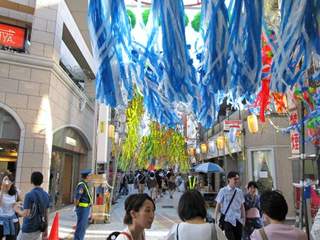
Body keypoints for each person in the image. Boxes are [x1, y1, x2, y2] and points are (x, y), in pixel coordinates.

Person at [15, 171, 50, 240]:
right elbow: (46, 214)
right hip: (39, 228)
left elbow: (26, 213)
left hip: (28, 228)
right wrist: (45, 230)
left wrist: (17, 209)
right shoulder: (46, 195)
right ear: (42, 181)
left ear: (31, 181)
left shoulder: (29, 195)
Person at [215, 171, 245, 240]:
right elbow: (218, 205)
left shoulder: (239, 192)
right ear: (229, 179)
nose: (237, 181)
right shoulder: (223, 190)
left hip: (238, 220)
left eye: (238, 179)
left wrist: (244, 220)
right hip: (227, 220)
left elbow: (242, 207)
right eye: (235, 179)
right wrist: (215, 219)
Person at [0, 174, 22, 240]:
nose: (7, 184)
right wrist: (2, 190)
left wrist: (17, 204)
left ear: (12, 183)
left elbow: (21, 202)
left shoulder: (16, 192)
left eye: (9, 182)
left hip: (12, 222)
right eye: (5, 182)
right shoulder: (1, 192)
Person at [73, 169, 93, 240]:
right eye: (90, 175)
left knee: (82, 226)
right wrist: (77, 207)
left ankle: (79, 238)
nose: (91, 177)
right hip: (82, 208)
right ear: (87, 176)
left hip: (85, 208)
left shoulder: (84, 184)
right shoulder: (82, 185)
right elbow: (77, 198)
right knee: (81, 226)